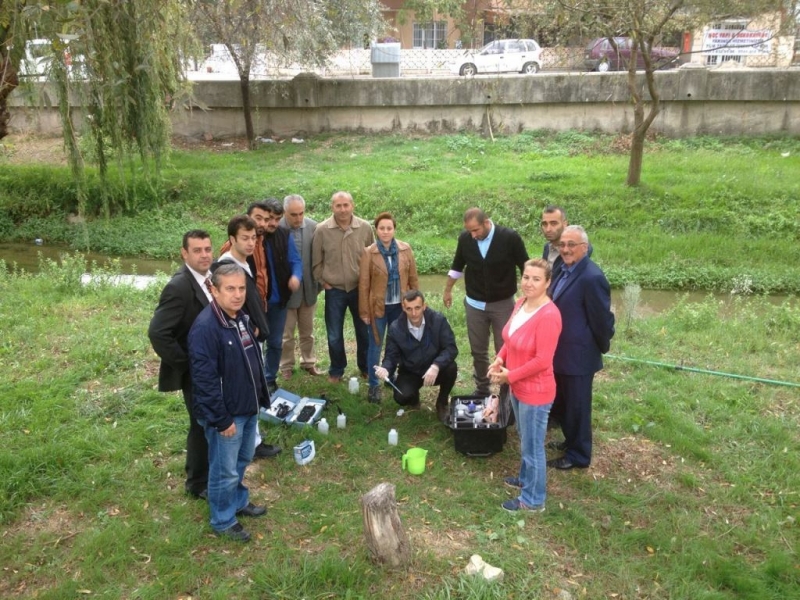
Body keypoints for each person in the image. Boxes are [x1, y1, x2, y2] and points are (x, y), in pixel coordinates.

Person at [189, 263, 270, 542]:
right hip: (227, 415)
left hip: (247, 407)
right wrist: (221, 419)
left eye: (242, 288)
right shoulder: (205, 328)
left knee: (242, 458)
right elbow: (205, 381)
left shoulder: (240, 317)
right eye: (230, 289)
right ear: (214, 290)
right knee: (224, 470)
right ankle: (223, 520)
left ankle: (237, 501)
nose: (237, 295)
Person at [488, 259, 562, 512]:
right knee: (524, 437)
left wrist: (510, 376)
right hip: (518, 386)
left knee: (533, 446)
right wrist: (499, 359)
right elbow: (510, 339)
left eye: (536, 279)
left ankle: (533, 500)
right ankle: (525, 479)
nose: (529, 283)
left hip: (536, 392)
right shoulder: (520, 303)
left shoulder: (550, 315)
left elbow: (543, 361)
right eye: (526, 277)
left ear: (548, 283)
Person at [148, 230, 213, 500]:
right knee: (200, 425)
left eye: (208, 249)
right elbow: (158, 333)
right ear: (184, 253)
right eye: (197, 250)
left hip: (214, 367)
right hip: (196, 371)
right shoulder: (179, 286)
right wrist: (187, 365)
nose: (204, 255)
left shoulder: (211, 279)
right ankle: (197, 484)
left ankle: (213, 475)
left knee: (212, 421)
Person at [547, 225, 615, 470]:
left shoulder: (592, 277)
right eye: (562, 245)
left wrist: (600, 346)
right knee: (565, 402)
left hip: (579, 354)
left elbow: (601, 319)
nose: (565, 249)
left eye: (571, 245)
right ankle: (570, 441)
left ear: (584, 248)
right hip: (560, 352)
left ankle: (579, 455)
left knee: (578, 406)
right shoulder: (562, 268)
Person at [443, 207, 529, 396]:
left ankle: (507, 390)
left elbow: (525, 266)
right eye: (469, 231)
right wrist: (448, 289)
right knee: (478, 350)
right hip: (474, 304)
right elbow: (457, 266)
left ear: (486, 222)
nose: (473, 235)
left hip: (503, 305)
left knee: (505, 349)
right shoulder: (465, 239)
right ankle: (482, 388)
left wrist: (530, 296)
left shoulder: (509, 238)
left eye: (476, 230)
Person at [218, 208, 282, 460]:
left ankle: (252, 439)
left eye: (253, 238)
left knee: (253, 385)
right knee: (244, 389)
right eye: (244, 238)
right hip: (237, 340)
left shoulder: (244, 261)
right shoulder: (226, 266)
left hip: (249, 337)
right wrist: (248, 324)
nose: (250, 242)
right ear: (232, 239)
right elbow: (226, 305)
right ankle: (249, 444)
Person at [311, 191, 375, 383]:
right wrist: (323, 281)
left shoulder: (364, 228)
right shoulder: (322, 229)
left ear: (352, 206)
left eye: (346, 205)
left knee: (364, 331)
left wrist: (369, 284)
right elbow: (316, 261)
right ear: (332, 207)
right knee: (334, 334)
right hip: (335, 290)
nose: (342, 209)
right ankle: (337, 369)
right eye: (338, 206)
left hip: (360, 289)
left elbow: (372, 257)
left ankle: (365, 367)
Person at [359, 211, 419, 403]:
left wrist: (415, 305)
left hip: (400, 307)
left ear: (394, 229)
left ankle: (390, 375)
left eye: (389, 228)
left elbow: (413, 279)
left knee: (397, 345)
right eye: (381, 228)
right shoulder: (370, 252)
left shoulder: (405, 249)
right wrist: (364, 311)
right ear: (376, 230)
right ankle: (374, 386)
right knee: (375, 346)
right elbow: (364, 284)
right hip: (378, 307)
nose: (385, 232)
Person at [375, 290, 458, 423]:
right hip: (411, 371)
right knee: (401, 397)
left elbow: (451, 348)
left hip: (434, 369)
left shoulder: (438, 320)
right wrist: (385, 369)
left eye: (417, 308)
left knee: (451, 367)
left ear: (424, 306)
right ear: (403, 308)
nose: (414, 313)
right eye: (409, 309)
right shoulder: (395, 328)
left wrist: (436, 366)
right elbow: (391, 356)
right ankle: (414, 398)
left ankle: (442, 403)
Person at [260, 198, 303, 392]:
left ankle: (269, 378)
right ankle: (254, 379)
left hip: (278, 302)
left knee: (276, 342)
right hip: (256, 303)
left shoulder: (284, 235)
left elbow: (296, 261)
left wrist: (296, 276)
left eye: (277, 219)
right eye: (269, 219)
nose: (273, 224)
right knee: (254, 343)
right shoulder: (251, 237)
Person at [279, 194, 323, 379]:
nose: (298, 218)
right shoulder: (277, 229)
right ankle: (286, 366)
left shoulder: (314, 227)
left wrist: (318, 283)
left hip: (309, 290)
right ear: (284, 213)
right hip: (286, 293)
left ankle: (309, 362)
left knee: (308, 332)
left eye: (301, 213)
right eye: (293, 214)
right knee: (287, 334)